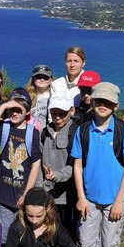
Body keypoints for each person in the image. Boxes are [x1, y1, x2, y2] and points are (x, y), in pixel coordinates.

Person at [70, 82, 124, 247]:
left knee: (110, 239)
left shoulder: (123, 131)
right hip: (89, 197)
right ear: (92, 101)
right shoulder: (83, 131)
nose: (103, 105)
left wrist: (118, 201)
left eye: (108, 102)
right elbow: (77, 165)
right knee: (85, 236)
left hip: (115, 198)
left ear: (116, 106)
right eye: (99, 100)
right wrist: (81, 197)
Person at [0, 88, 42, 243]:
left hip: (22, 193)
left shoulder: (33, 133)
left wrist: (26, 194)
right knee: (5, 234)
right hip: (4, 194)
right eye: (12, 110)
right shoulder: (4, 127)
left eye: (19, 110)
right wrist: (2, 107)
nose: (14, 114)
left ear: (27, 112)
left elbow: (36, 164)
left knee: (24, 232)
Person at [2, 188, 79, 247]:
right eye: (30, 215)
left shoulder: (55, 228)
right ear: (24, 209)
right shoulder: (17, 227)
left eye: (39, 216)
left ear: (48, 208)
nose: (34, 221)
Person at [38, 92, 79, 239]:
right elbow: (38, 164)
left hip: (68, 196)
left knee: (68, 233)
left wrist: (57, 176)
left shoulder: (75, 133)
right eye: (54, 113)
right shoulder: (45, 133)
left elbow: (74, 165)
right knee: (50, 231)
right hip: (48, 194)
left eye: (62, 114)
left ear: (72, 111)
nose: (57, 117)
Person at [25, 65, 54, 130]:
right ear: (33, 79)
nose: (42, 79)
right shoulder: (27, 97)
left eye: (45, 77)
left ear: (51, 79)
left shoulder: (55, 95)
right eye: (38, 77)